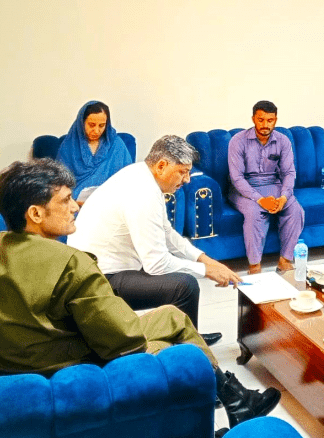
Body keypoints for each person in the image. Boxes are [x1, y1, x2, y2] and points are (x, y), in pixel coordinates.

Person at [0, 159, 281, 430]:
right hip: (61, 366)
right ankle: (230, 402)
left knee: (171, 317)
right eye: (65, 201)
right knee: (177, 335)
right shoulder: (70, 263)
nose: (75, 206)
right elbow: (121, 341)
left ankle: (237, 400)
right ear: (35, 213)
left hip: (7, 360)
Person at [68, 135, 242, 346]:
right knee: (184, 285)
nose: (187, 180)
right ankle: (189, 348)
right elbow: (157, 264)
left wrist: (206, 260)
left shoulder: (143, 176)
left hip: (106, 269)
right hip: (100, 281)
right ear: (161, 166)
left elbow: (167, 233)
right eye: (183, 172)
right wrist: (207, 272)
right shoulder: (142, 194)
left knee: (182, 277)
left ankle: (187, 335)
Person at [227, 100, 305, 274]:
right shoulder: (237, 141)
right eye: (260, 120)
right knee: (254, 213)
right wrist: (261, 200)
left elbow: (289, 173)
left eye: (270, 120)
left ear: (275, 120)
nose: (265, 125)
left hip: (273, 185)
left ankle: (285, 260)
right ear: (253, 119)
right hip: (243, 189)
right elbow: (236, 178)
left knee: (296, 210)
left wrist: (283, 197)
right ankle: (254, 265)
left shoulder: (283, 141)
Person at [56, 101, 133, 202]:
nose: (96, 131)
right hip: (75, 204)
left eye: (101, 126)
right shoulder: (69, 146)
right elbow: (58, 184)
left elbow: (129, 179)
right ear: (81, 123)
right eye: (91, 125)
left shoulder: (116, 144)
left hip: (111, 203)